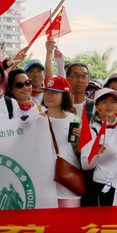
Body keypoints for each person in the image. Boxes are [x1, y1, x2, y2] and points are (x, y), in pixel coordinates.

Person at [79, 88, 117, 207]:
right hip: (100, 188)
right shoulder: (91, 131)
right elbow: (85, 165)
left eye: (113, 102)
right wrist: (96, 153)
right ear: (97, 105)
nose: (109, 105)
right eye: (104, 102)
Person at [41, 76, 81, 208]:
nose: (49, 95)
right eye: (46, 91)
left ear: (65, 96)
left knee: (69, 226)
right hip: (43, 185)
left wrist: (83, 140)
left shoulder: (75, 120)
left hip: (68, 184)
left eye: (54, 92)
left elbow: (80, 153)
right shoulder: (37, 119)